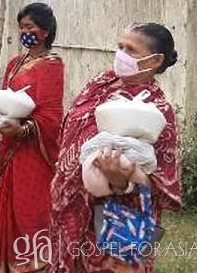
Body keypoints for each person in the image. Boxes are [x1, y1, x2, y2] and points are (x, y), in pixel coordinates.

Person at [49, 23, 181, 272]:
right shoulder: (101, 82)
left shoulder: (158, 110)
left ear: (155, 60)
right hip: (70, 209)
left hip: (119, 219)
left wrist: (120, 180)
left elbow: (163, 181)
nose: (121, 55)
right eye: (120, 47)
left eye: (131, 50)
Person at [0, 3, 64, 271]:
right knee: (13, 203)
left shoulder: (52, 66)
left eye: (29, 27)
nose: (24, 32)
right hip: (11, 144)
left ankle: (35, 261)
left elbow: (51, 115)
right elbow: (7, 98)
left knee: (31, 205)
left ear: (45, 31)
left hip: (33, 149)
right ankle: (10, 261)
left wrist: (22, 131)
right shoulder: (15, 63)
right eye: (22, 27)